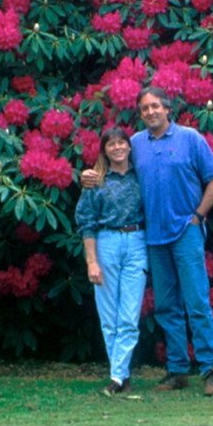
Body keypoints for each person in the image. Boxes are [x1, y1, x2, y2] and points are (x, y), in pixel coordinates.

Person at [84, 88, 213, 395]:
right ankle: (177, 371)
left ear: (168, 108)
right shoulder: (135, 143)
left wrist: (199, 216)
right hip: (153, 238)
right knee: (166, 307)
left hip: (186, 232)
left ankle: (211, 371)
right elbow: (114, 166)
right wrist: (90, 176)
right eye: (144, 108)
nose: (150, 112)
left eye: (155, 106)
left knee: (197, 302)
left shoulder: (190, 138)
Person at [74, 127, 147, 397]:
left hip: (137, 241)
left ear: (129, 146)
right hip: (106, 243)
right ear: (104, 150)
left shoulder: (141, 175)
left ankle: (117, 378)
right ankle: (122, 377)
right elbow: (87, 223)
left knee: (129, 316)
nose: (117, 148)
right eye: (111, 144)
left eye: (121, 143)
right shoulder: (96, 181)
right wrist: (92, 262)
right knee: (109, 317)